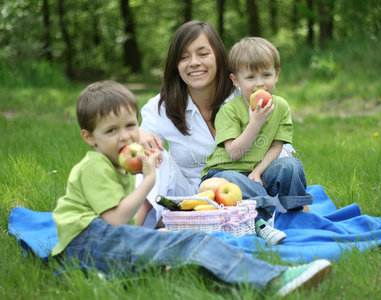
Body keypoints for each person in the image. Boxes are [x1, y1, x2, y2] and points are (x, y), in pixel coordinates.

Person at [51, 80, 332, 297]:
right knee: (194, 241)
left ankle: (125, 272)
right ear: (89, 138)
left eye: (129, 125)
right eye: (111, 131)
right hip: (87, 242)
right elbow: (114, 221)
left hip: (93, 242)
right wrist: (148, 180)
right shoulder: (95, 167)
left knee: (174, 242)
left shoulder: (113, 164)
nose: (125, 136)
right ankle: (273, 279)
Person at [137, 20, 296, 229]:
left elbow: (281, 145)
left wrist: (259, 173)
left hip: (244, 190)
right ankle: (131, 231)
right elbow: (131, 145)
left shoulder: (245, 94)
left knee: (280, 164)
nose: (194, 62)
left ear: (218, 56)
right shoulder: (162, 106)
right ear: (176, 65)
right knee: (153, 156)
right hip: (189, 194)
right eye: (184, 57)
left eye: (203, 54)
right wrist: (137, 134)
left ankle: (277, 218)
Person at [200, 37, 312, 246]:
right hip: (225, 173)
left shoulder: (280, 106)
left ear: (276, 75)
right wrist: (255, 123)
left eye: (266, 75)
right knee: (231, 180)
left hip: (256, 173)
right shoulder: (229, 110)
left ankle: (296, 215)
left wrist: (258, 172)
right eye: (250, 77)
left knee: (291, 165)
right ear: (236, 81)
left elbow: (277, 147)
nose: (260, 83)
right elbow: (234, 153)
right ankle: (260, 222)